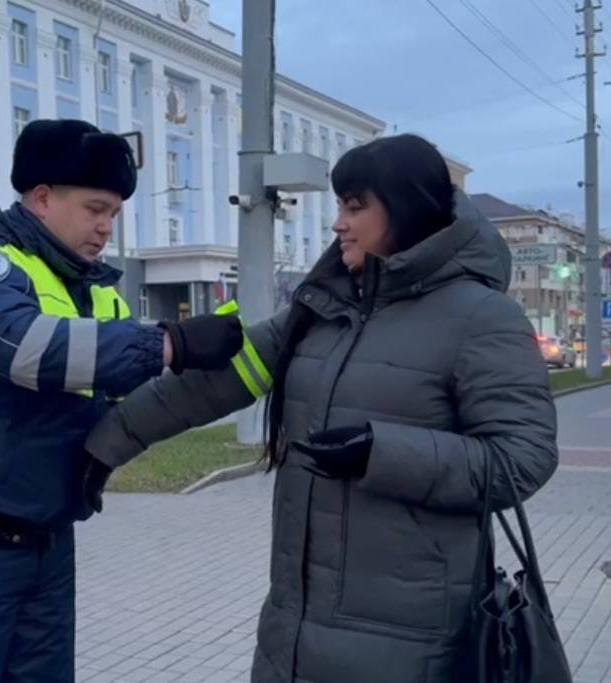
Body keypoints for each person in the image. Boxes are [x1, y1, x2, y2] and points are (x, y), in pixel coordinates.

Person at [83, 134, 559, 682]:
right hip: (294, 630)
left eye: (355, 207)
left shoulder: (483, 317)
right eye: (339, 206)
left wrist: (383, 454)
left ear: (406, 209)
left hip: (413, 640)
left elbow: (522, 458)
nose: (338, 224)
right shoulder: (322, 307)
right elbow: (212, 384)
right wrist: (107, 444)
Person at [0, 119, 244, 682]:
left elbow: (137, 392)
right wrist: (170, 343)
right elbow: (24, 349)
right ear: (43, 198)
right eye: (95, 209)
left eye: (114, 214)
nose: (106, 228)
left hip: (41, 544)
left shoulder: (92, 291)